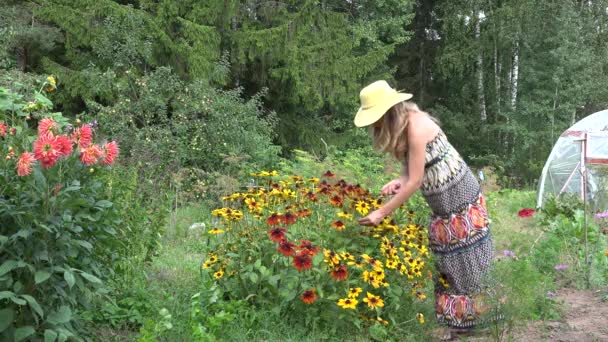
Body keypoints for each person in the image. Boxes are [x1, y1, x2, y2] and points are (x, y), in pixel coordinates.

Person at [355, 80, 494, 339]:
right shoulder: (404, 126)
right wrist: (399, 180)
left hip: (460, 199)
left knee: (466, 260)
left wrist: (382, 212)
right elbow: (413, 169)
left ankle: (478, 323)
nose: (373, 125)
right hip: (441, 205)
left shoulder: (417, 127)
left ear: (388, 112)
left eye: (374, 118)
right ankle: (459, 325)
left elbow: (417, 181)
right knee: (447, 261)